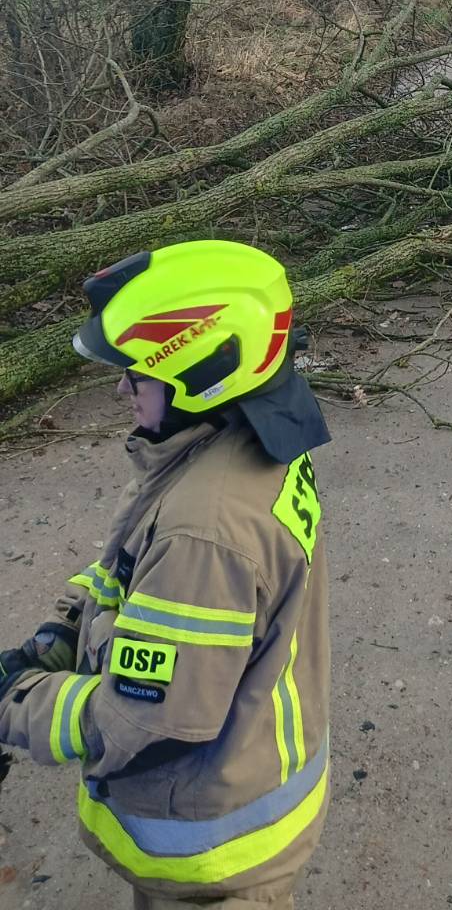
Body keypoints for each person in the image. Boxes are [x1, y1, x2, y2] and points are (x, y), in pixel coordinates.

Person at [0, 240, 331, 908]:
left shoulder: (204, 531)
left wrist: (18, 702)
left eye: (138, 375)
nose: (121, 388)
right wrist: (66, 627)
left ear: (204, 375)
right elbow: (132, 563)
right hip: (249, 770)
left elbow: (142, 723)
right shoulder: (232, 440)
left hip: (214, 856)